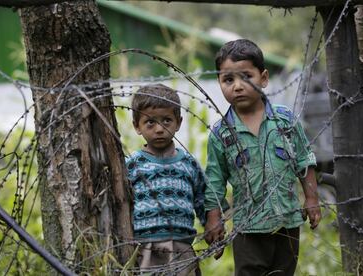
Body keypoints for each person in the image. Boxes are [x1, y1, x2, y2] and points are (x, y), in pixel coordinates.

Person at [203, 39, 321, 276]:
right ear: (219, 83)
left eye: (246, 77)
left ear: (264, 78)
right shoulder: (221, 135)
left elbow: (304, 161)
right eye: (228, 80)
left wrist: (311, 198)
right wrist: (214, 218)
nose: (237, 86)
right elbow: (214, 181)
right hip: (248, 229)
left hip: (287, 222)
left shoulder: (285, 121)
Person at [125, 83, 206, 276]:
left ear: (178, 122)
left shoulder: (188, 163)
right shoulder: (132, 164)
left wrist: (211, 225)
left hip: (181, 249)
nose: (159, 129)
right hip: (145, 249)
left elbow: (202, 198)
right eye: (150, 122)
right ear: (137, 126)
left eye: (167, 120)